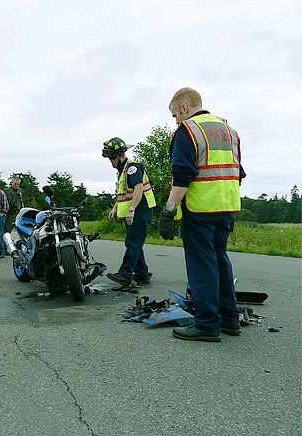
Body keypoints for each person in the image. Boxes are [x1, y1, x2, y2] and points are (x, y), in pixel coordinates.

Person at [158, 87, 245, 342]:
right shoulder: (230, 131)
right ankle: (230, 319)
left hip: (200, 208)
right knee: (220, 260)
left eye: (175, 115)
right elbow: (238, 172)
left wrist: (169, 210)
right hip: (226, 206)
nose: (176, 120)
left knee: (202, 264)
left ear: (184, 107)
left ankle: (207, 323)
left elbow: (183, 176)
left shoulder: (188, 131)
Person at [102, 137, 156, 287]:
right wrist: (115, 208)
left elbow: (138, 188)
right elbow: (124, 193)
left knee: (133, 243)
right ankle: (142, 274)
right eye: (109, 158)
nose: (111, 161)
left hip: (140, 209)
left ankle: (125, 274)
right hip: (134, 210)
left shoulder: (132, 168)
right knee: (135, 242)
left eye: (113, 157)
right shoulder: (122, 170)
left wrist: (131, 210)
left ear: (121, 155)